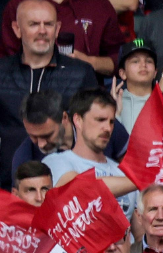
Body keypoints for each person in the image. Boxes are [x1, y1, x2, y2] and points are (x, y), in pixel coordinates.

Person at [0, 0, 99, 166]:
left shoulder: (80, 72)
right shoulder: (2, 71)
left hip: (65, 175)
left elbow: (92, 129)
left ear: (57, 29)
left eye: (48, 24)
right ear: (17, 29)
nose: (42, 31)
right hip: (9, 176)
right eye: (33, 24)